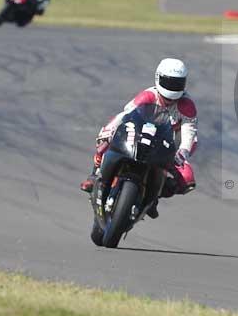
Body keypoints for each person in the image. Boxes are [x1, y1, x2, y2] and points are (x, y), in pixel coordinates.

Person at [80, 58, 198, 219]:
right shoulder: (148, 96)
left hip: (167, 146)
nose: (171, 89)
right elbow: (125, 115)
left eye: (177, 84)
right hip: (138, 136)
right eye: (168, 82)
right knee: (105, 142)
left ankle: (153, 198)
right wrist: (108, 131)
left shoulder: (187, 105)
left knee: (187, 180)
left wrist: (183, 152)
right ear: (158, 78)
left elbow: (189, 131)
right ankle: (95, 174)